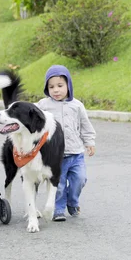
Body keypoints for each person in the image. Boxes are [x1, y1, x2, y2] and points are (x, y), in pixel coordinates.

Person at [37, 65, 96, 221]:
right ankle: (59, 209)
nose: (56, 90)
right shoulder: (43, 105)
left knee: (80, 179)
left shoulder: (77, 105)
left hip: (76, 153)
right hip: (56, 156)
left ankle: (73, 202)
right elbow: (30, 116)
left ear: (68, 85)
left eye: (60, 86)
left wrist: (89, 142)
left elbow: (85, 125)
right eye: (51, 87)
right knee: (59, 185)